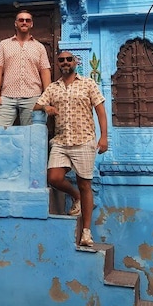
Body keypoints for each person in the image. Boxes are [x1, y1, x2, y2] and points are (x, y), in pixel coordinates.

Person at [34, 51, 108, 246]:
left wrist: (104, 137)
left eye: (69, 59)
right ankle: (75, 197)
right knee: (54, 178)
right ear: (58, 64)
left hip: (84, 140)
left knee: (85, 184)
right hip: (60, 141)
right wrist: (45, 108)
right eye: (61, 60)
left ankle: (86, 232)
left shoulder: (88, 84)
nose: (65, 62)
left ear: (75, 62)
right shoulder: (53, 88)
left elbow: (100, 111)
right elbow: (36, 105)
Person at [0, 10, 51, 126]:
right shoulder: (4, 45)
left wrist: (46, 97)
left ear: (31, 24)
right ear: (15, 23)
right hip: (7, 97)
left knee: (31, 134)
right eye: (21, 20)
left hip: (32, 97)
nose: (24, 22)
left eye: (27, 20)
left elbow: (45, 71)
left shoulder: (39, 47)